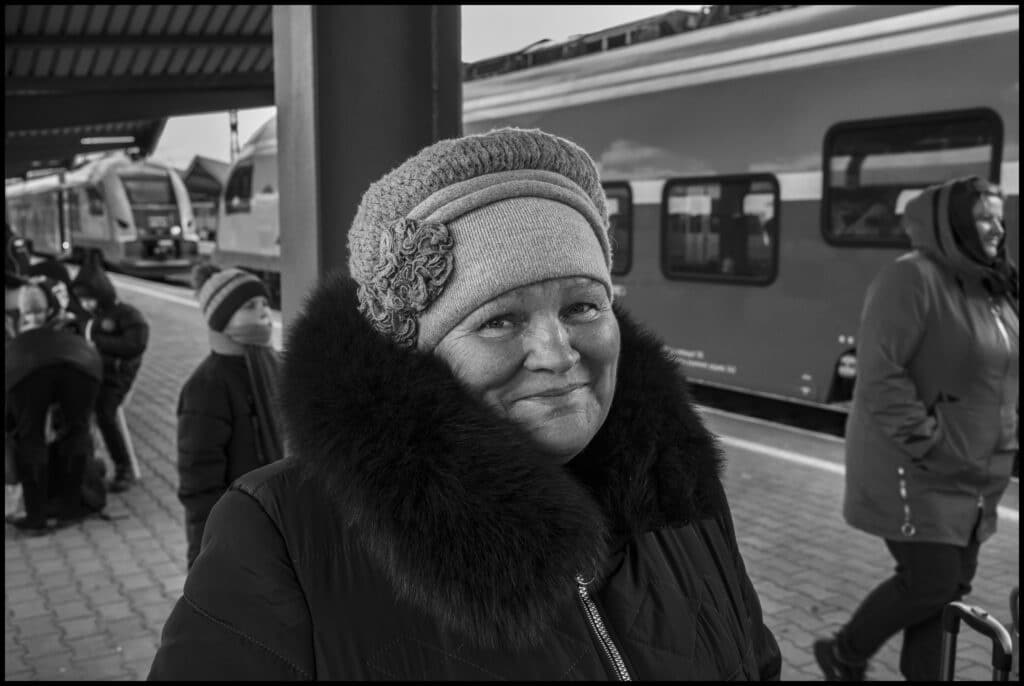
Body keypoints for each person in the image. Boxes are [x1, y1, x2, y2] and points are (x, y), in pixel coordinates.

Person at [148, 127, 780, 680]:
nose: (557, 354)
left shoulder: (682, 496)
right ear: (422, 356)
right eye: (499, 321)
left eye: (583, 306)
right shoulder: (281, 538)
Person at [814, 176, 1019, 681]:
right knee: (932, 581)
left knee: (947, 590)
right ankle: (844, 652)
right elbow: (880, 376)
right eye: (984, 217)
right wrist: (935, 442)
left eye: (1000, 216)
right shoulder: (911, 278)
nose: (998, 227)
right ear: (952, 224)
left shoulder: (991, 285)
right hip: (916, 468)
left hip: (974, 473)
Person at [175, 264, 283, 570]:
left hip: (278, 520)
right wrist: (208, 550)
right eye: (250, 306)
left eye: (264, 304)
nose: (263, 313)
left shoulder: (278, 366)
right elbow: (199, 479)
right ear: (222, 320)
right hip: (238, 529)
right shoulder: (207, 386)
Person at [5, 278, 102, 534]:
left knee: (30, 439)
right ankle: (70, 509)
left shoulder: (18, 342)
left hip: (25, 371)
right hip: (83, 367)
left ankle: (36, 517)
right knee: (77, 432)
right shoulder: (66, 325)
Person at [70, 252, 149, 493]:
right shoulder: (89, 316)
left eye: (89, 299)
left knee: (105, 413)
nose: (86, 304)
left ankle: (123, 466)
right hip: (95, 373)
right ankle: (85, 465)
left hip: (116, 377)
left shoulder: (127, 315)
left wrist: (98, 344)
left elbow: (135, 345)